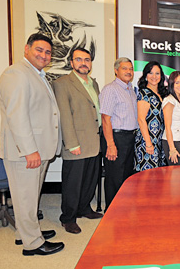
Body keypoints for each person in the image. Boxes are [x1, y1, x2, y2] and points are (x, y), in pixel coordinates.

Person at [0, 33, 64, 256]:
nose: (44, 55)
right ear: (26, 49)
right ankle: (33, 244)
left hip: (38, 148)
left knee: (30, 196)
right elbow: (17, 116)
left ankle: (25, 232)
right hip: (25, 152)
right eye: (39, 50)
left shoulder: (37, 75)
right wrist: (29, 151)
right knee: (25, 197)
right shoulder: (16, 73)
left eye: (47, 52)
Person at [52, 48, 103, 234]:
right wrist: (71, 143)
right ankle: (68, 218)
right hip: (77, 143)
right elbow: (64, 116)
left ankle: (84, 208)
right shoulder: (62, 84)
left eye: (87, 59)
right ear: (71, 62)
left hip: (94, 141)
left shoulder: (93, 83)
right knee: (72, 183)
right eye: (79, 59)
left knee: (89, 180)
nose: (84, 63)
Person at [99, 57, 137, 210]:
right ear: (116, 71)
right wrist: (110, 144)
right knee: (114, 178)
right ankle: (112, 212)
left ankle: (122, 209)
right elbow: (105, 118)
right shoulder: (110, 89)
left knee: (126, 177)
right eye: (124, 68)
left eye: (130, 69)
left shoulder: (130, 90)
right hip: (116, 138)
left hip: (129, 138)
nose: (128, 71)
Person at [134, 61, 168, 171]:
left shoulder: (162, 94)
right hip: (147, 143)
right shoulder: (144, 93)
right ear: (145, 75)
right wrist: (148, 143)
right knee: (147, 179)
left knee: (158, 177)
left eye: (157, 73)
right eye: (150, 73)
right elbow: (141, 119)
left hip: (159, 142)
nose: (154, 76)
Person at [162, 71, 180, 165]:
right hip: (173, 142)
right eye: (177, 82)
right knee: (175, 174)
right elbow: (167, 126)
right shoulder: (169, 100)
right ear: (171, 84)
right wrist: (172, 149)